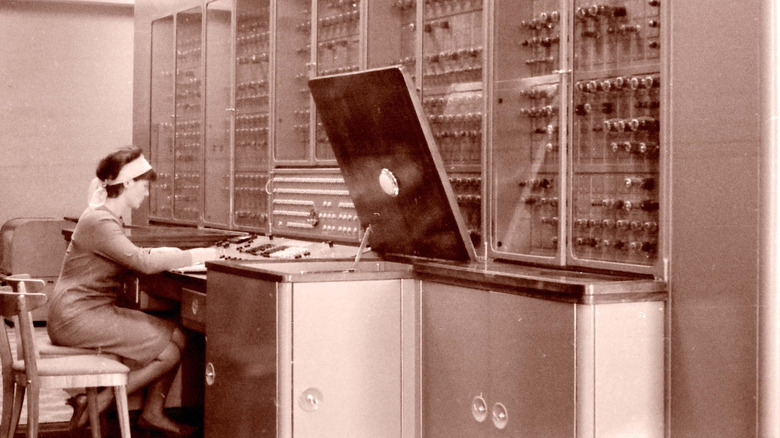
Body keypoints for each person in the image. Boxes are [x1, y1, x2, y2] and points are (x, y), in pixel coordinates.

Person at [47, 145, 218, 437]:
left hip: (82, 311)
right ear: (127, 184)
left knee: (178, 336)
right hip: (76, 317)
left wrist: (176, 252)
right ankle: (102, 402)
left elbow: (136, 254)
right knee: (169, 351)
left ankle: (152, 413)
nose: (147, 193)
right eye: (144, 185)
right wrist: (201, 254)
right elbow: (142, 262)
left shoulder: (103, 217)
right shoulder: (99, 221)